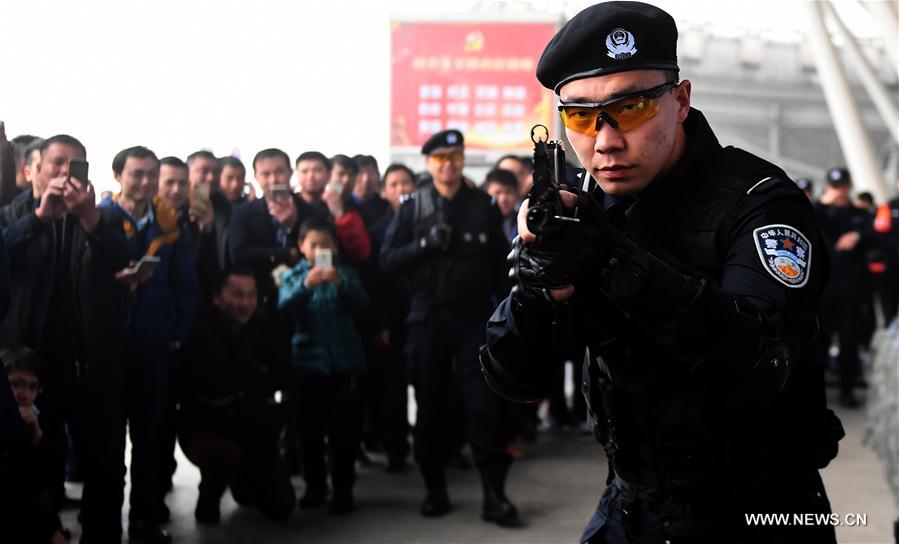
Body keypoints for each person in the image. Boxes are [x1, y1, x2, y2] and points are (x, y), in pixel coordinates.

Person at [480, 3, 843, 543]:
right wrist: (538, 289)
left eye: (628, 109)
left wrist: (611, 260)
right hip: (632, 506)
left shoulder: (760, 203)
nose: (604, 141)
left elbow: (759, 363)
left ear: (680, 100)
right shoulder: (584, 208)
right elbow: (514, 378)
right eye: (580, 116)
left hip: (761, 514)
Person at [381, 129, 518, 525]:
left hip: (473, 319)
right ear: (428, 163)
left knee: (484, 407)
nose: (448, 165)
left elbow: (499, 269)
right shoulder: (412, 207)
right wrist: (424, 245)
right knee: (430, 408)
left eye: (455, 157)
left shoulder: (483, 206)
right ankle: (434, 489)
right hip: (428, 319)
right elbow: (388, 260)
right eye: (440, 158)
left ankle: (494, 495)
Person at [0, 134, 131, 543]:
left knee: (105, 465)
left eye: (75, 166)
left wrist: (89, 218)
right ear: (33, 170)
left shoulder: (99, 217)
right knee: (34, 464)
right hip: (30, 365)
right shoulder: (13, 215)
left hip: (90, 362)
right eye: (56, 164)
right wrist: (39, 217)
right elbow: (5, 255)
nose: (64, 174)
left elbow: (117, 259)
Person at [100, 145, 197, 543]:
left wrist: (177, 333)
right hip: (107, 348)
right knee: (106, 443)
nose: (145, 182)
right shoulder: (99, 220)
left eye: (151, 175)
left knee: (149, 438)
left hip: (154, 345)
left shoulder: (169, 225)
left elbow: (186, 284)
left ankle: (144, 518)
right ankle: (103, 524)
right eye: (136, 174)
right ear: (118, 176)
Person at [177, 268, 295, 524]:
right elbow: (213, 387)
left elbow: (282, 373)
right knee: (221, 455)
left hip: (252, 426)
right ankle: (209, 495)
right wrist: (252, 378)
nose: (245, 303)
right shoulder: (200, 332)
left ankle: (243, 482)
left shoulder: (264, 326)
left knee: (281, 506)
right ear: (217, 298)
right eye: (237, 295)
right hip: (206, 427)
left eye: (251, 295)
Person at [278, 216, 370, 515]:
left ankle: (343, 490)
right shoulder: (293, 276)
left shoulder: (346, 274)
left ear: (335, 246)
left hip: (343, 368)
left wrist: (341, 284)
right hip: (305, 368)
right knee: (308, 433)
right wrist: (304, 287)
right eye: (313, 244)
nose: (320, 249)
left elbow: (362, 306)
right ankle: (315, 487)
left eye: (325, 243)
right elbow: (284, 309)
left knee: (343, 432)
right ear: (301, 247)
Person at [813, 168, 871, 408]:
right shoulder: (817, 212)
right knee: (819, 341)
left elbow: (875, 235)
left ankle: (846, 390)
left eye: (842, 187)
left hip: (851, 289)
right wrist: (821, 203)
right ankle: (816, 393)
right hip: (822, 289)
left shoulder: (859, 214)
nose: (839, 192)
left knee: (849, 342)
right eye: (834, 187)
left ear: (848, 187)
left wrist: (857, 236)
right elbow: (802, 222)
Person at [2, 345, 71, 544]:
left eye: (32, 387)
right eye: (16, 384)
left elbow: (43, 479)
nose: (24, 393)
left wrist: (36, 434)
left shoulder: (35, 419)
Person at [483, 168, 519, 241]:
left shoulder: (524, 222)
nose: (503, 199)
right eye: (497, 192)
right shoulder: (478, 222)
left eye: (508, 192)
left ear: (517, 194)